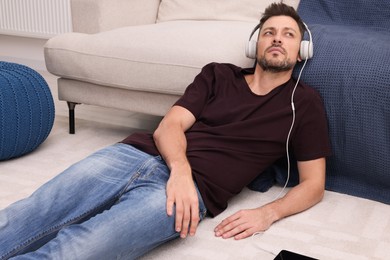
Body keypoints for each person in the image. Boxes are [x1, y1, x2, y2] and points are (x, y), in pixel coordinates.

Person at [0, 3, 331, 259]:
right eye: (269, 31)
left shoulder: (303, 103)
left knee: (80, 247)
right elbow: (169, 126)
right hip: (135, 156)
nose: (277, 38)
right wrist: (180, 170)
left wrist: (267, 214)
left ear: (301, 50)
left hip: (188, 195)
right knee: (33, 212)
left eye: (288, 34)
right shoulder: (218, 75)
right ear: (254, 43)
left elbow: (314, 183)